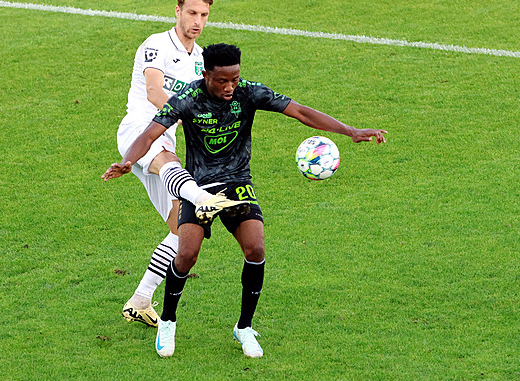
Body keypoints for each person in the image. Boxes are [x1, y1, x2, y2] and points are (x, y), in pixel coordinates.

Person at [102, 43, 387, 358]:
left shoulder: (249, 93)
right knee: (186, 255)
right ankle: (168, 320)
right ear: (206, 75)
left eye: (234, 79)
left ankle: (244, 327)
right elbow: (148, 135)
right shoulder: (187, 100)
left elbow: (301, 112)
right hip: (198, 185)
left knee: (256, 248)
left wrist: (350, 131)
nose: (229, 87)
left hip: (238, 183)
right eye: (222, 81)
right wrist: (129, 161)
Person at [107, 0, 249, 328]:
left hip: (166, 140)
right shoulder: (155, 45)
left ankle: (140, 299)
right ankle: (202, 196)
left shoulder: (202, 60)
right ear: (177, 11)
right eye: (192, 13)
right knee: (172, 164)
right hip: (141, 133)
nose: (197, 21)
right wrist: (188, 114)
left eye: (203, 15)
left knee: (181, 230)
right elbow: (155, 91)